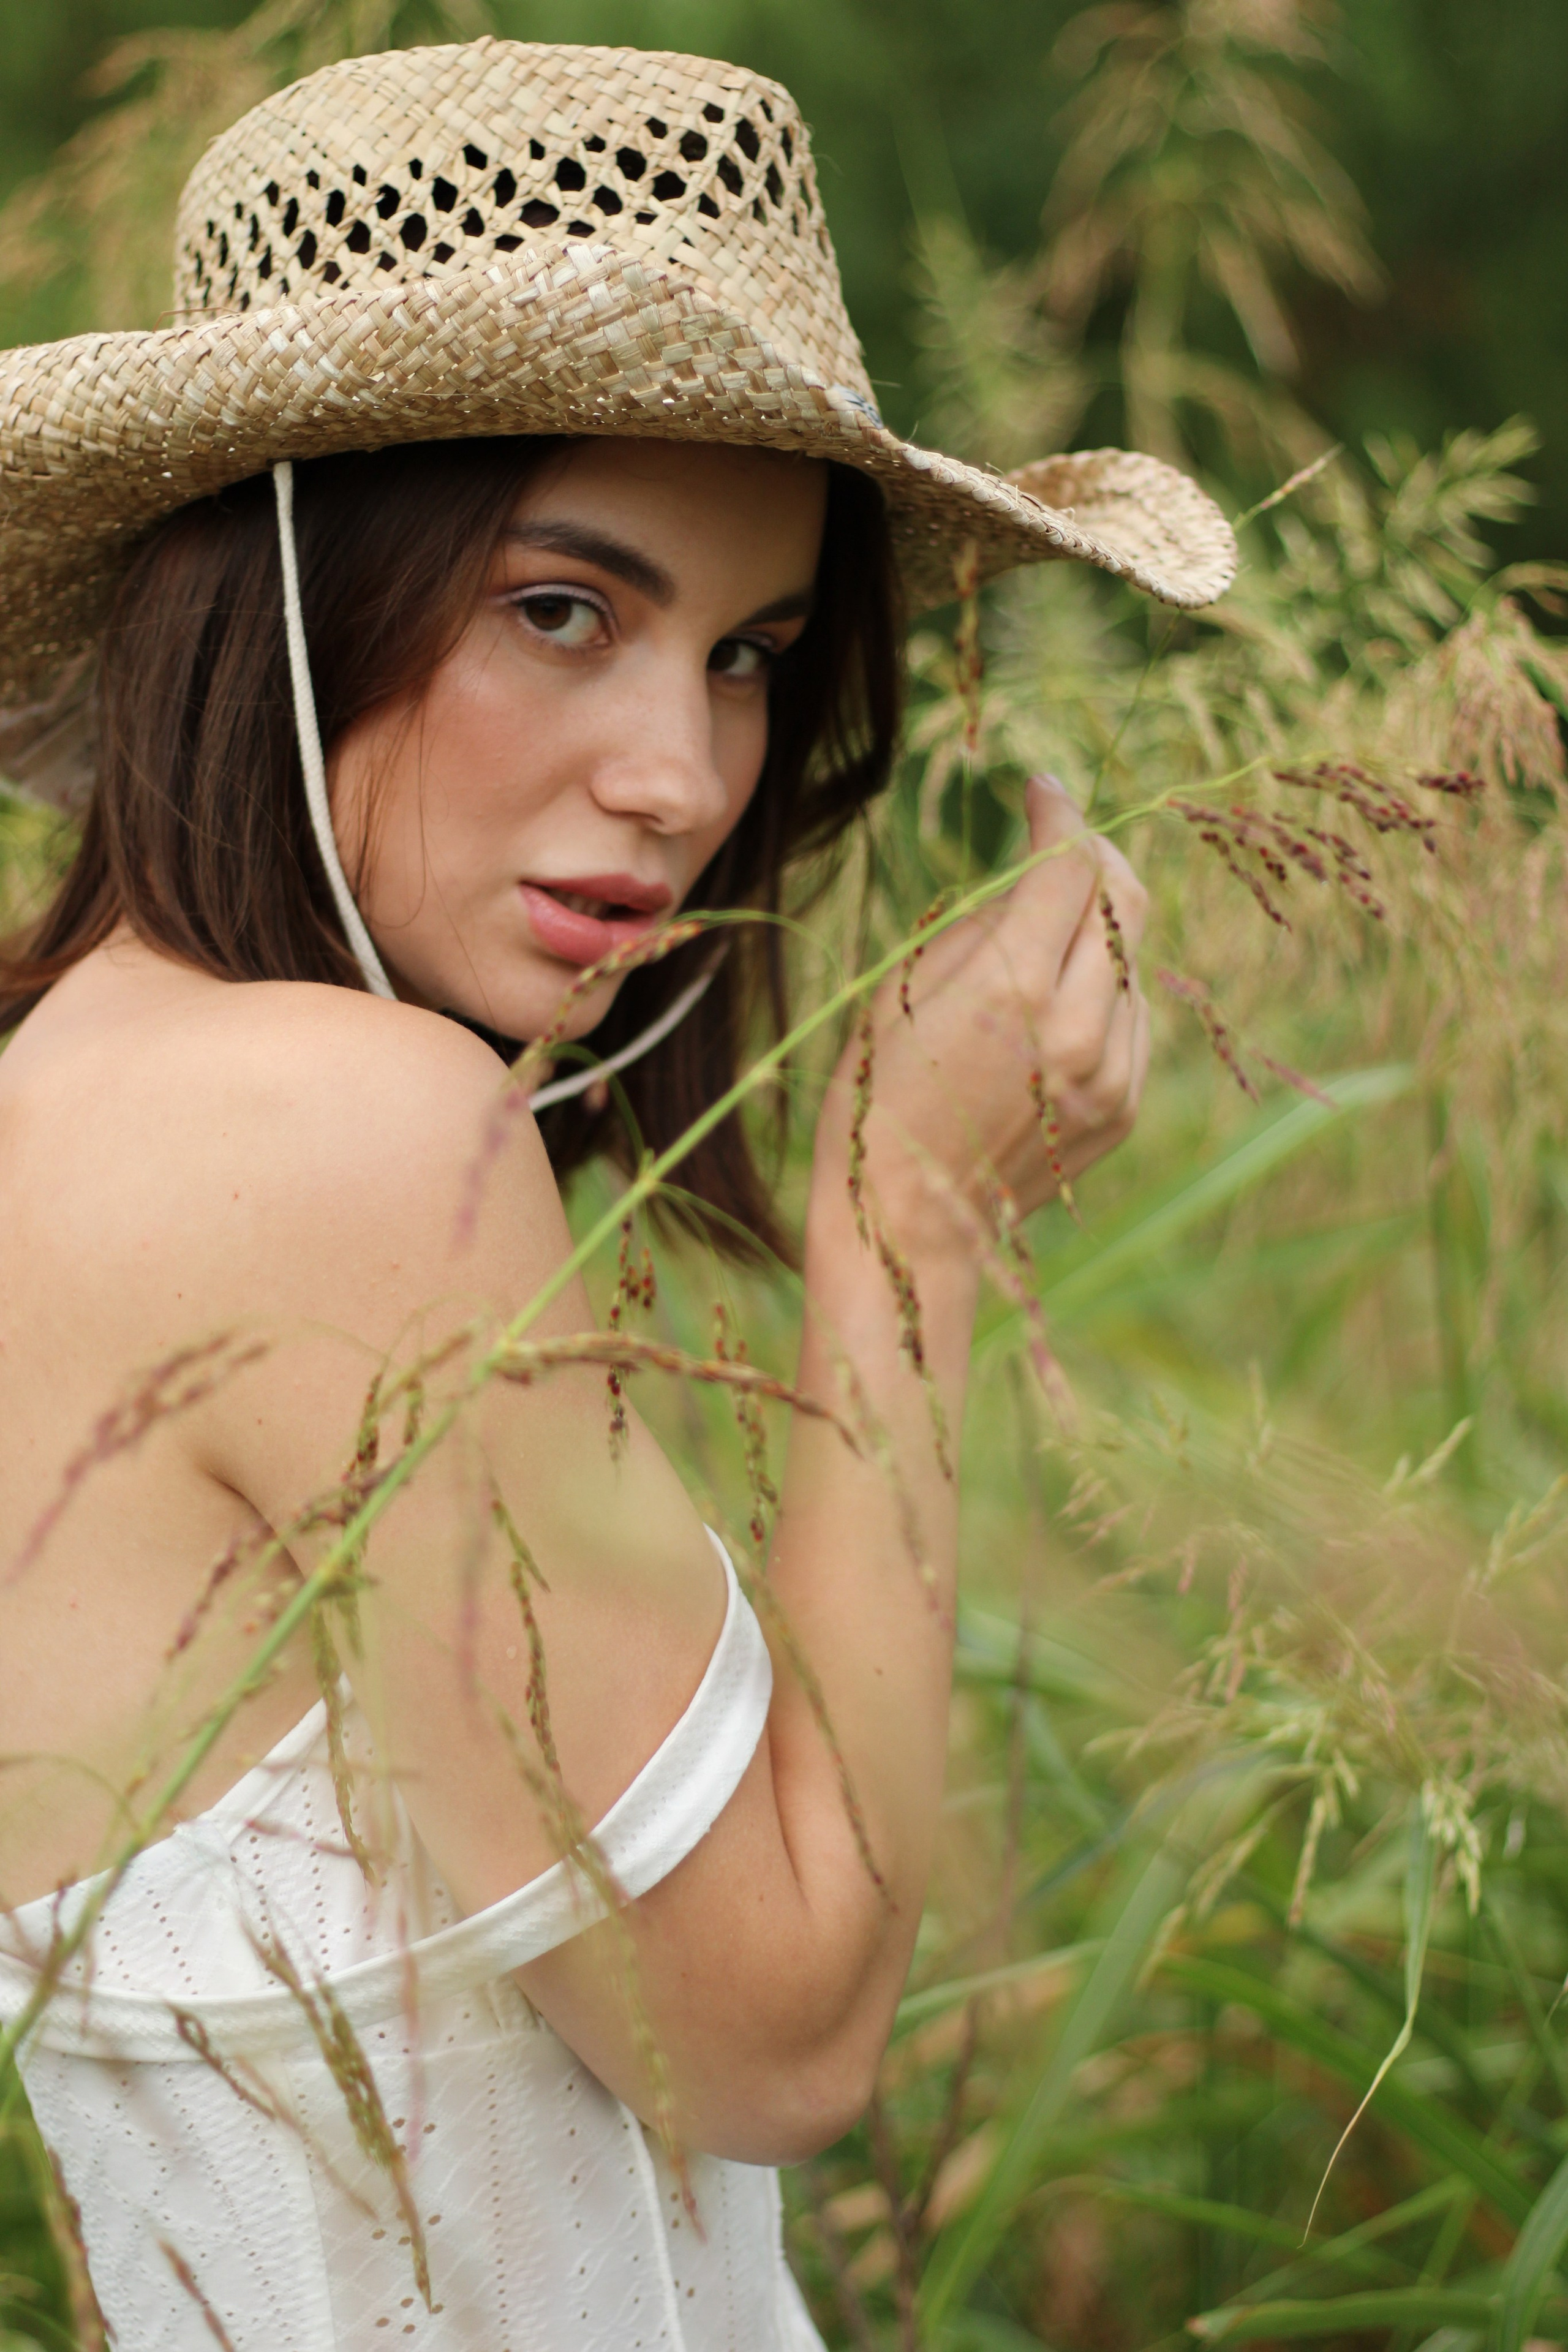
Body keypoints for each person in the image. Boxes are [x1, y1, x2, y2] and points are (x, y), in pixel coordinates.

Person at [0, 36, 1234, 2351]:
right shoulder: (334, 1130)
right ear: (292, 582)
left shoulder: (62, 1088)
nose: (684, 776)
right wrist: (911, 1221)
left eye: (751, 656)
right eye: (563, 607)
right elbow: (772, 2033)